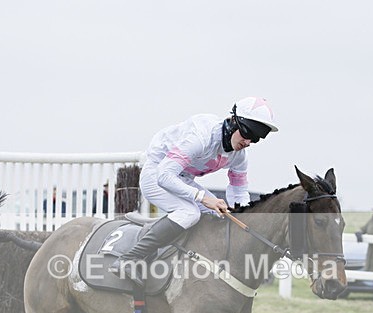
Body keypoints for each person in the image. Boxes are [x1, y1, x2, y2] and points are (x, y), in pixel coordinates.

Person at [109, 96, 278, 284]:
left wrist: (246, 217)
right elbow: (164, 175)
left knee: (222, 216)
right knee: (189, 213)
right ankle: (129, 259)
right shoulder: (201, 138)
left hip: (182, 179)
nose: (248, 142)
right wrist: (203, 198)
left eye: (255, 139)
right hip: (156, 174)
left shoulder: (239, 156)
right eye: (248, 134)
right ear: (233, 122)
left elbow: (239, 193)